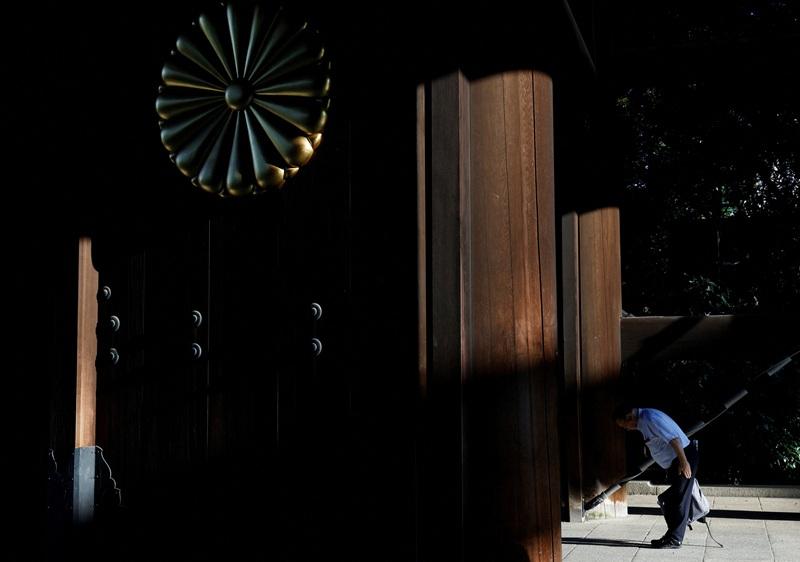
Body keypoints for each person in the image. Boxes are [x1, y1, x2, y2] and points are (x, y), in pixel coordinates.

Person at [613, 404, 699, 549]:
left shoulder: (649, 419)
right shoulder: (643, 421)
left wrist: (683, 462)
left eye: (625, 425)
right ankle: (672, 534)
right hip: (677, 460)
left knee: (678, 500)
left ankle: (675, 539)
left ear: (629, 416)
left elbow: (674, 439)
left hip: (683, 458)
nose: (627, 429)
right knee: (668, 499)